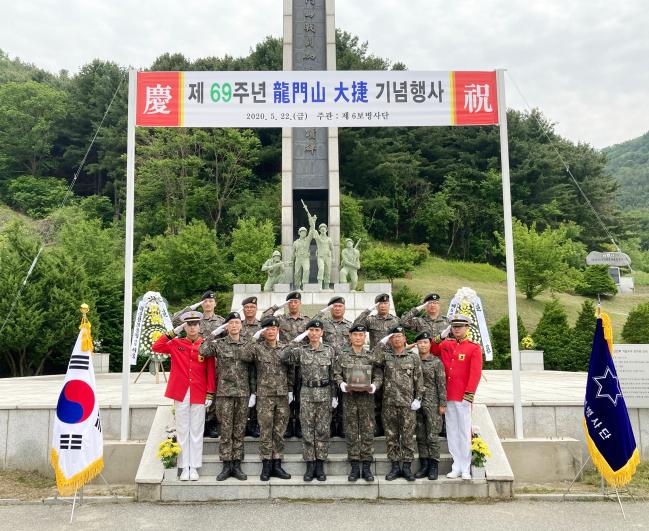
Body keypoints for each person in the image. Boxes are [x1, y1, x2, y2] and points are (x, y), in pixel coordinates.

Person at [152, 311, 215, 481]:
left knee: (196, 429)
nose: (192, 327)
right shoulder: (176, 343)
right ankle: (183, 466)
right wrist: (173, 331)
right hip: (181, 392)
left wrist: (210, 392)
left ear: (199, 326)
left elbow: (210, 370)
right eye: (189, 324)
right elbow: (156, 346)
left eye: (195, 324)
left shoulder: (205, 345)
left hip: (199, 392)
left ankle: (193, 466)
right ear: (185, 327)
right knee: (182, 430)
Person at [281, 319, 336, 482]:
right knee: (307, 429)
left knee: (323, 430)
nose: (313, 333)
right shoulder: (301, 351)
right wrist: (295, 340)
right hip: (306, 393)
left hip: (324, 392)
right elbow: (284, 357)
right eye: (310, 330)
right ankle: (310, 464)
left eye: (316, 331)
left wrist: (335, 395)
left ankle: (320, 465)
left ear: (322, 333)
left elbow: (334, 373)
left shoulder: (329, 351)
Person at [199, 312, 250, 481]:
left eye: (237, 322)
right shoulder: (219, 344)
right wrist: (213, 332)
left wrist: (254, 393)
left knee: (239, 429)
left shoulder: (249, 344)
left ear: (241, 325)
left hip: (243, 393)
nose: (234, 326)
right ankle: (226, 464)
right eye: (231, 323)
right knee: (226, 429)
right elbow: (203, 350)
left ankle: (237, 464)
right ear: (226, 326)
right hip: (225, 394)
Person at [431, 314, 482, 480]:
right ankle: (456, 466)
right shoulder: (446, 344)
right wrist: (442, 334)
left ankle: (466, 467)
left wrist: (469, 395)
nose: (457, 329)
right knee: (452, 432)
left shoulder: (473, 348)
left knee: (464, 432)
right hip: (448, 395)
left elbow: (475, 374)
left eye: (460, 326)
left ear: (467, 328)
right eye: (454, 326)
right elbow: (432, 348)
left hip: (462, 396)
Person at [243, 316, 293, 481]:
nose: (271, 331)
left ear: (277, 330)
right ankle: (266, 464)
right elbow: (244, 355)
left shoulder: (285, 348)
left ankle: (277, 463)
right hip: (264, 395)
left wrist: (291, 390)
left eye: (274, 329)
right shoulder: (257, 349)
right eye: (267, 329)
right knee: (265, 430)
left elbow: (291, 371)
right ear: (263, 331)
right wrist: (254, 337)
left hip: (282, 396)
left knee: (279, 430)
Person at [333, 324, 383, 482]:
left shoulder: (371, 355)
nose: (358, 337)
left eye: (361, 335)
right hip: (349, 398)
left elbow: (378, 375)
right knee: (352, 432)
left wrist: (374, 386)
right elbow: (336, 374)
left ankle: (367, 466)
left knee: (367, 432)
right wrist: (342, 385)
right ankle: (355, 466)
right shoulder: (343, 355)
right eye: (355, 335)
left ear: (365, 337)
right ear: (350, 336)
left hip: (367, 400)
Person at [374, 325, 424, 481]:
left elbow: (419, 380)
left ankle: (407, 467)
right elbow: (372, 358)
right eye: (393, 336)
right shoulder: (385, 356)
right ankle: (395, 467)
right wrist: (382, 342)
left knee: (408, 437)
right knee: (392, 437)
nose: (397, 338)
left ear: (404, 339)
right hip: (389, 404)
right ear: (390, 340)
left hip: (408, 405)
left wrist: (418, 398)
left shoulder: (413, 357)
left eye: (399, 336)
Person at [173, 290, 224, 439]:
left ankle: (211, 422)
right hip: (195, 364)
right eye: (205, 301)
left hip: (214, 363)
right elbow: (176, 319)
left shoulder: (221, 321)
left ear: (215, 303)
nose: (208, 304)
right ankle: (198, 422)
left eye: (210, 301)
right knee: (197, 393)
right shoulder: (195, 318)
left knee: (213, 391)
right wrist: (192, 307)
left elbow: (227, 339)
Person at [262, 291, 310, 438]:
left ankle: (301, 425)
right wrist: (278, 306)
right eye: (290, 302)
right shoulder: (281, 319)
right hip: (284, 361)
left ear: (300, 303)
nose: (293, 304)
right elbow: (264, 318)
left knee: (301, 395)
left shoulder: (306, 321)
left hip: (302, 363)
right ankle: (288, 424)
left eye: (296, 302)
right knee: (286, 396)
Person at [353, 293, 399, 435]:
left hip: (392, 361)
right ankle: (377, 426)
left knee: (391, 394)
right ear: (376, 305)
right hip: (376, 361)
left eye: (385, 303)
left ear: (389, 305)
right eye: (380, 303)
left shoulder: (395, 321)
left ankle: (390, 426)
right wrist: (369, 309)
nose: (383, 305)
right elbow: (356, 324)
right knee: (376, 395)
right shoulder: (371, 320)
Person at [313, 296, 352, 437]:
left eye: (340, 306)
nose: (337, 308)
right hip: (327, 363)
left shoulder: (349, 325)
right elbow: (313, 322)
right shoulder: (324, 323)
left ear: (344, 308)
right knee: (329, 393)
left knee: (343, 396)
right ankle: (329, 424)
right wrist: (324, 310)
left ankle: (341, 425)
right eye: (334, 306)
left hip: (344, 364)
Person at [412, 331, 447, 481]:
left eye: (425, 342)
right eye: (420, 343)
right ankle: (424, 464)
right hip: (416, 404)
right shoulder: (413, 360)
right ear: (417, 345)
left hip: (432, 404)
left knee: (432, 436)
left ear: (430, 344)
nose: (423, 345)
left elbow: (442, 384)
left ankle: (433, 466)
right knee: (420, 436)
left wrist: (442, 403)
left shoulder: (436, 362)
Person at [240, 296, 261, 438]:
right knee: (242, 396)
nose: (249, 309)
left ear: (256, 309)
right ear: (243, 309)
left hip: (257, 366)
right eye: (247, 307)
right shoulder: (237, 324)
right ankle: (243, 425)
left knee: (256, 394)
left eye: (252, 307)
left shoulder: (262, 327)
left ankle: (254, 424)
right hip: (239, 366)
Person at [310, 217, 334, 290]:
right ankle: (319, 286)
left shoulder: (329, 239)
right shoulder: (317, 237)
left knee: (328, 272)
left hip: (328, 257)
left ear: (326, 230)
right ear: (320, 230)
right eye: (321, 228)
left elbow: (332, 249)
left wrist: (333, 258)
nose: (323, 229)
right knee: (321, 269)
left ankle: (326, 286)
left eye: (324, 228)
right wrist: (313, 221)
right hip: (320, 256)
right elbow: (313, 230)